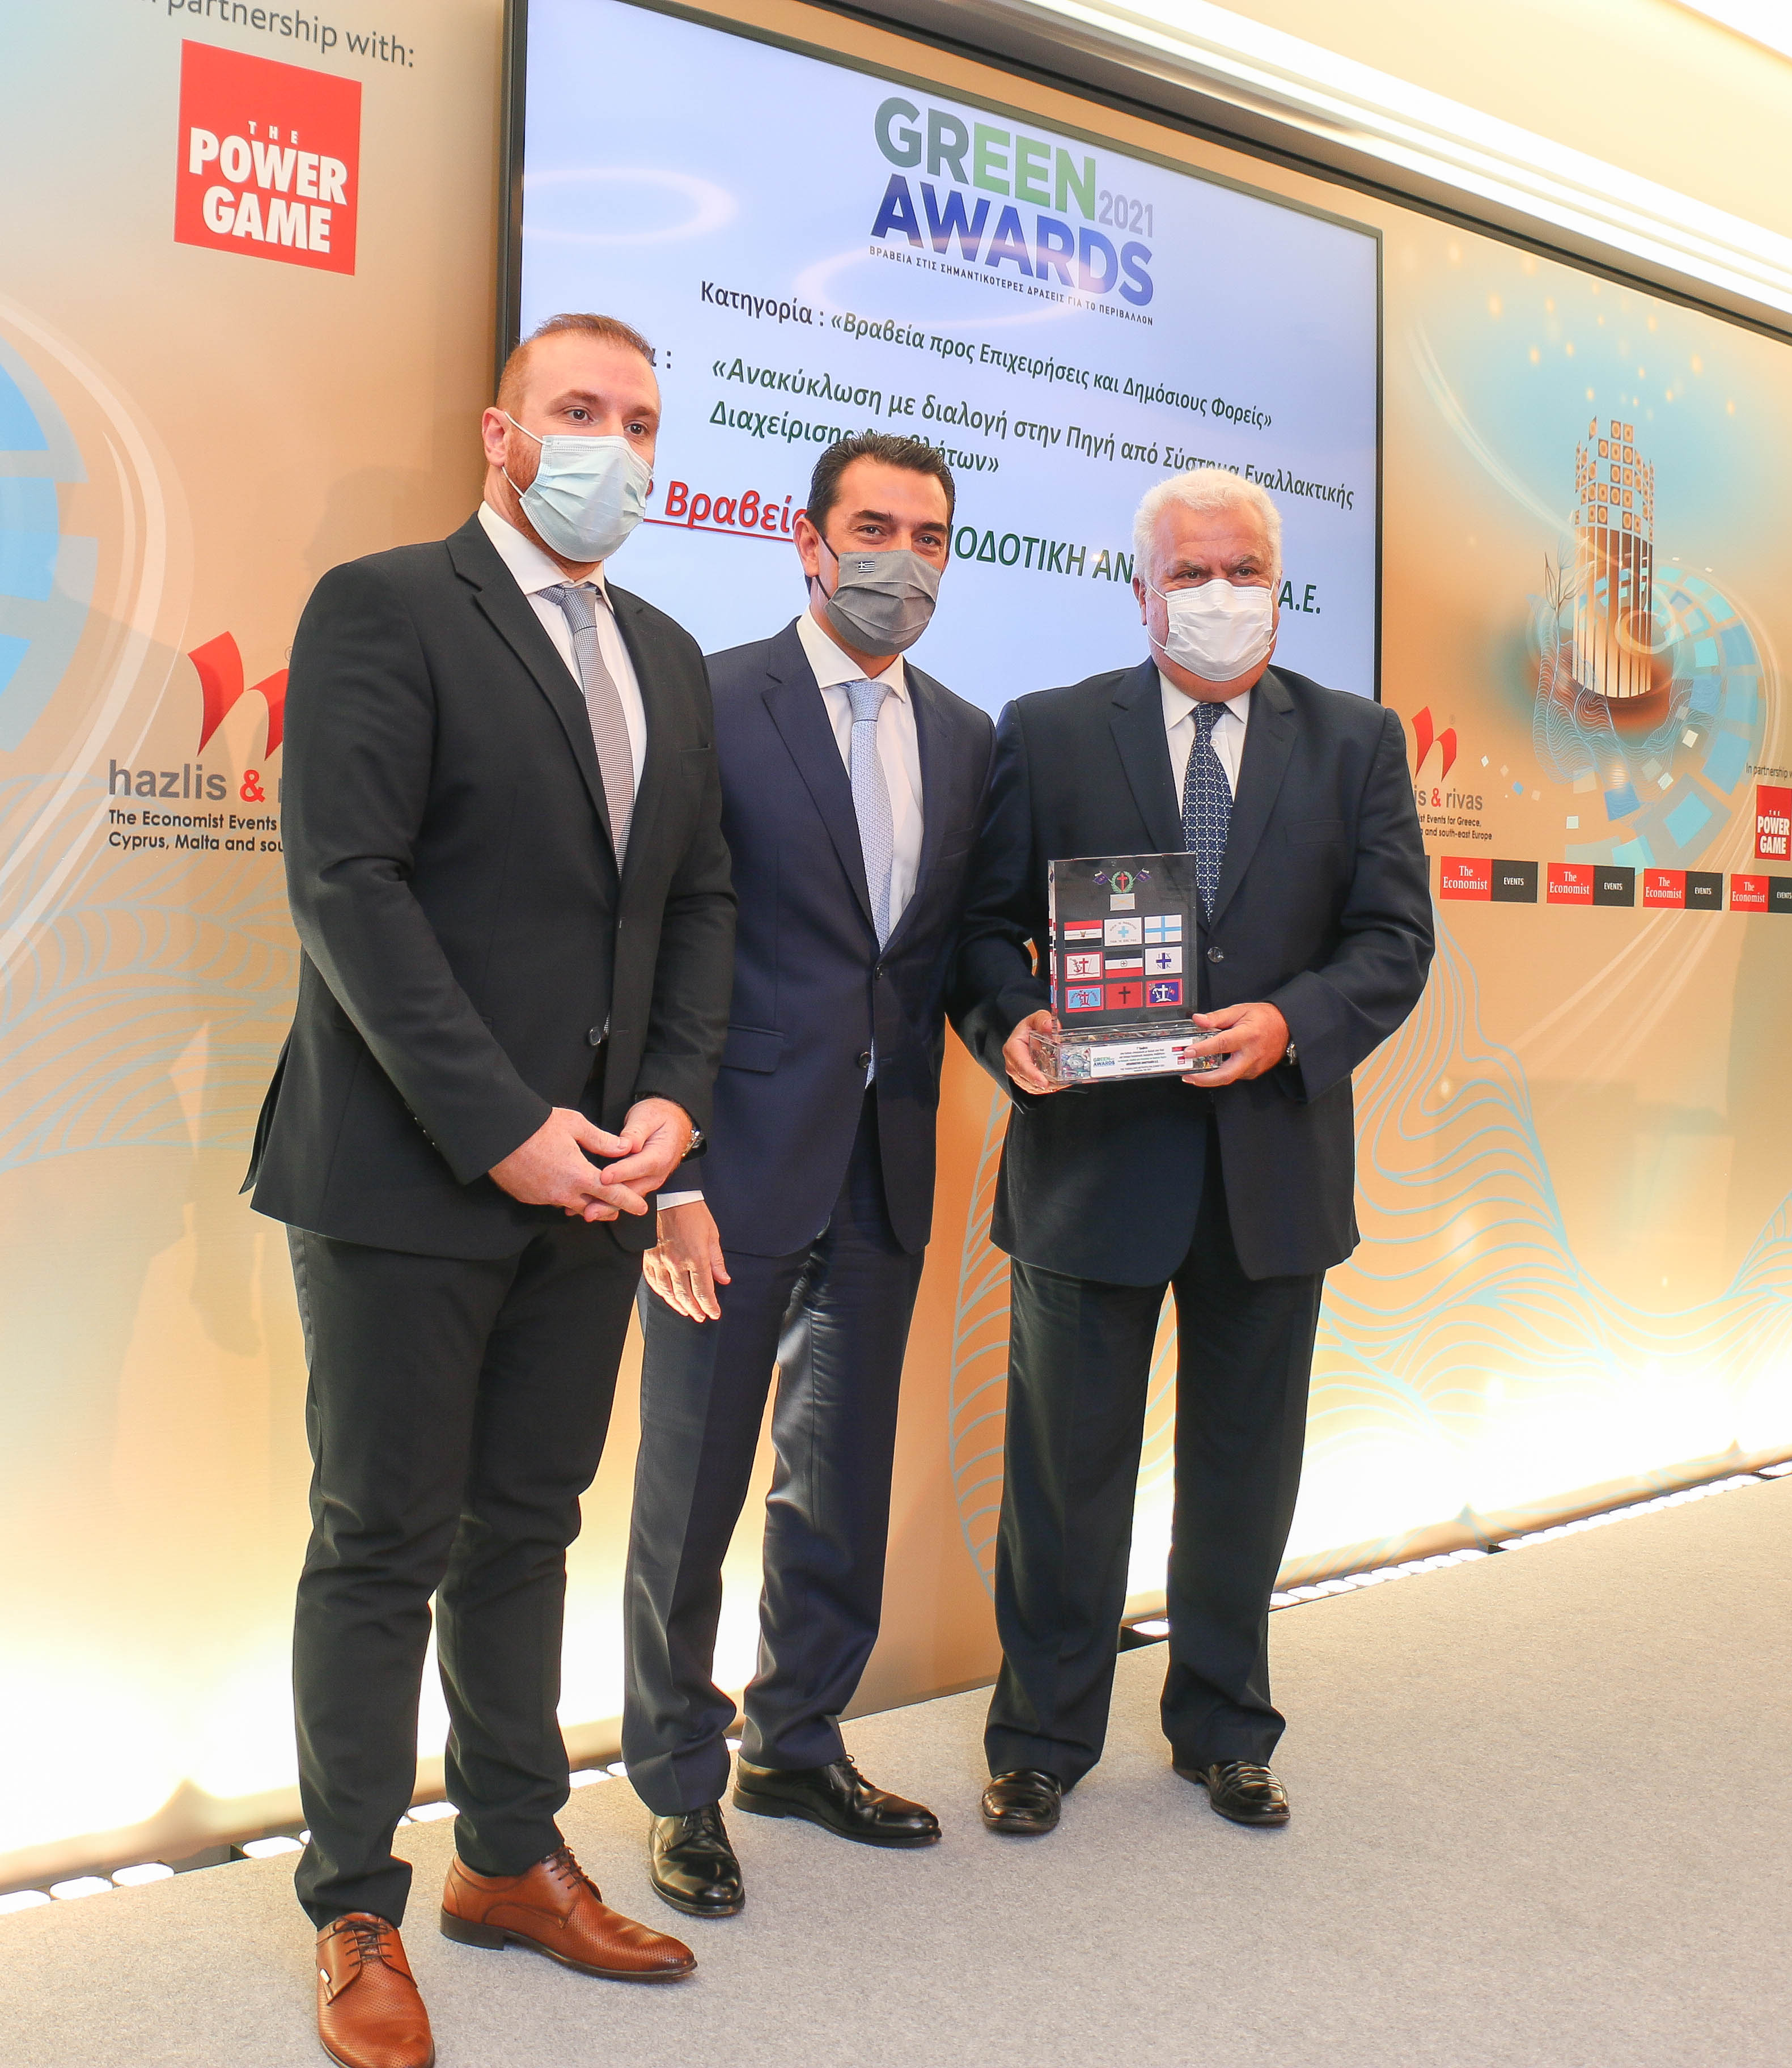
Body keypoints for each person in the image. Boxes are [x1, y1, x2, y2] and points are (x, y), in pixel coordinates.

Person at [245, 312, 735, 2068]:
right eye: (577, 410)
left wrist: (671, 1103)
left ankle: (510, 1859)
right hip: (402, 1172)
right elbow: (348, 885)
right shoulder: (385, 606)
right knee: (381, 1541)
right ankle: (353, 1903)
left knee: (526, 1530)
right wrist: (501, 1122)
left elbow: (696, 902)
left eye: (641, 420)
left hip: (594, 1184)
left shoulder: (666, 652)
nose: (612, 444)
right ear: (499, 433)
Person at [951, 466, 1433, 1835]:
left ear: (1279, 587)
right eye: (1189, 572)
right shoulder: (1049, 731)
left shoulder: (1355, 741)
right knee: (1062, 1478)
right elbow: (982, 932)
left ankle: (1224, 1727)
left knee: (1243, 1474)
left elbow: (1393, 940)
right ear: (1140, 590)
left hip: (1270, 1173)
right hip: (1091, 1165)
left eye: (1244, 572)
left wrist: (1291, 1024)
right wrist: (1010, 1023)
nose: (1219, 595)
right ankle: (1040, 1736)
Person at [621, 433, 992, 1916]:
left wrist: (1031, 1029)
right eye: (874, 528)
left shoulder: (965, 734)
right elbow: (650, 945)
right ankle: (676, 1785)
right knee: (691, 1491)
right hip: (720, 1175)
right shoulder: (711, 700)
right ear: (809, 540)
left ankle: (796, 1742)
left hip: (883, 1166)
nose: (903, 560)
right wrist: (670, 1176)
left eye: (930, 536)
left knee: (837, 1483)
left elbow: (944, 956)